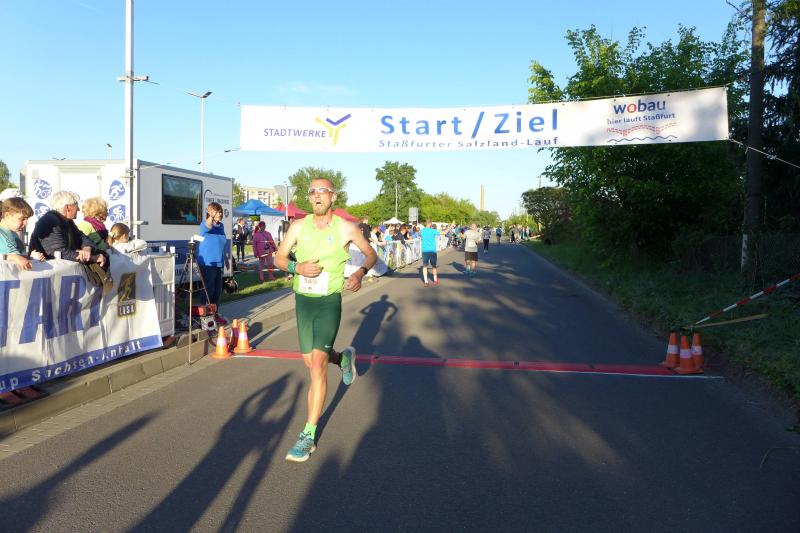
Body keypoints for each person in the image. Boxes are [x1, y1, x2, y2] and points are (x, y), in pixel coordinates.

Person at [275, 177, 377, 463]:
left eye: (323, 191)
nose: (317, 196)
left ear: (333, 197)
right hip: (303, 302)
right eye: (312, 192)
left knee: (317, 365)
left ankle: (307, 435)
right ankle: (343, 359)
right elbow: (279, 258)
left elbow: (371, 254)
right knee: (311, 361)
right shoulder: (298, 226)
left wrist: (359, 273)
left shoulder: (346, 228)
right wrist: (296, 266)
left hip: (328, 302)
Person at [29, 190, 108, 269]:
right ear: (68, 208)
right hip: (46, 270)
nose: (78, 209)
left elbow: (82, 237)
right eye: (76, 205)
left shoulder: (68, 221)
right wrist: (92, 258)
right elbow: (60, 253)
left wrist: (87, 248)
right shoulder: (50, 222)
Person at [197, 202, 230, 325]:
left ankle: (214, 315)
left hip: (218, 263)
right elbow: (208, 225)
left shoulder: (221, 226)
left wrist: (225, 259)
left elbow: (221, 244)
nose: (220, 214)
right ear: (210, 213)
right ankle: (203, 317)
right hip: (208, 263)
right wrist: (211, 216)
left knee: (217, 291)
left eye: (220, 212)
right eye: (217, 212)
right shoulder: (204, 225)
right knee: (208, 290)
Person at [0, 197, 45, 270]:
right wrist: (14, 257)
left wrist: (31, 257)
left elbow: (20, 258)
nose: (26, 223)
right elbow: (15, 257)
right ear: (7, 215)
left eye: (27, 219)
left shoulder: (15, 234)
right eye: (22, 219)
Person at [419, 220, 440, 287]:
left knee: (425, 266)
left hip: (424, 251)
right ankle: (435, 280)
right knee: (434, 266)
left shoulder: (421, 231)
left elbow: (420, 236)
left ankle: (426, 282)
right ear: (430, 224)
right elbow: (444, 232)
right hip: (432, 251)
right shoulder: (433, 231)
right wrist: (451, 226)